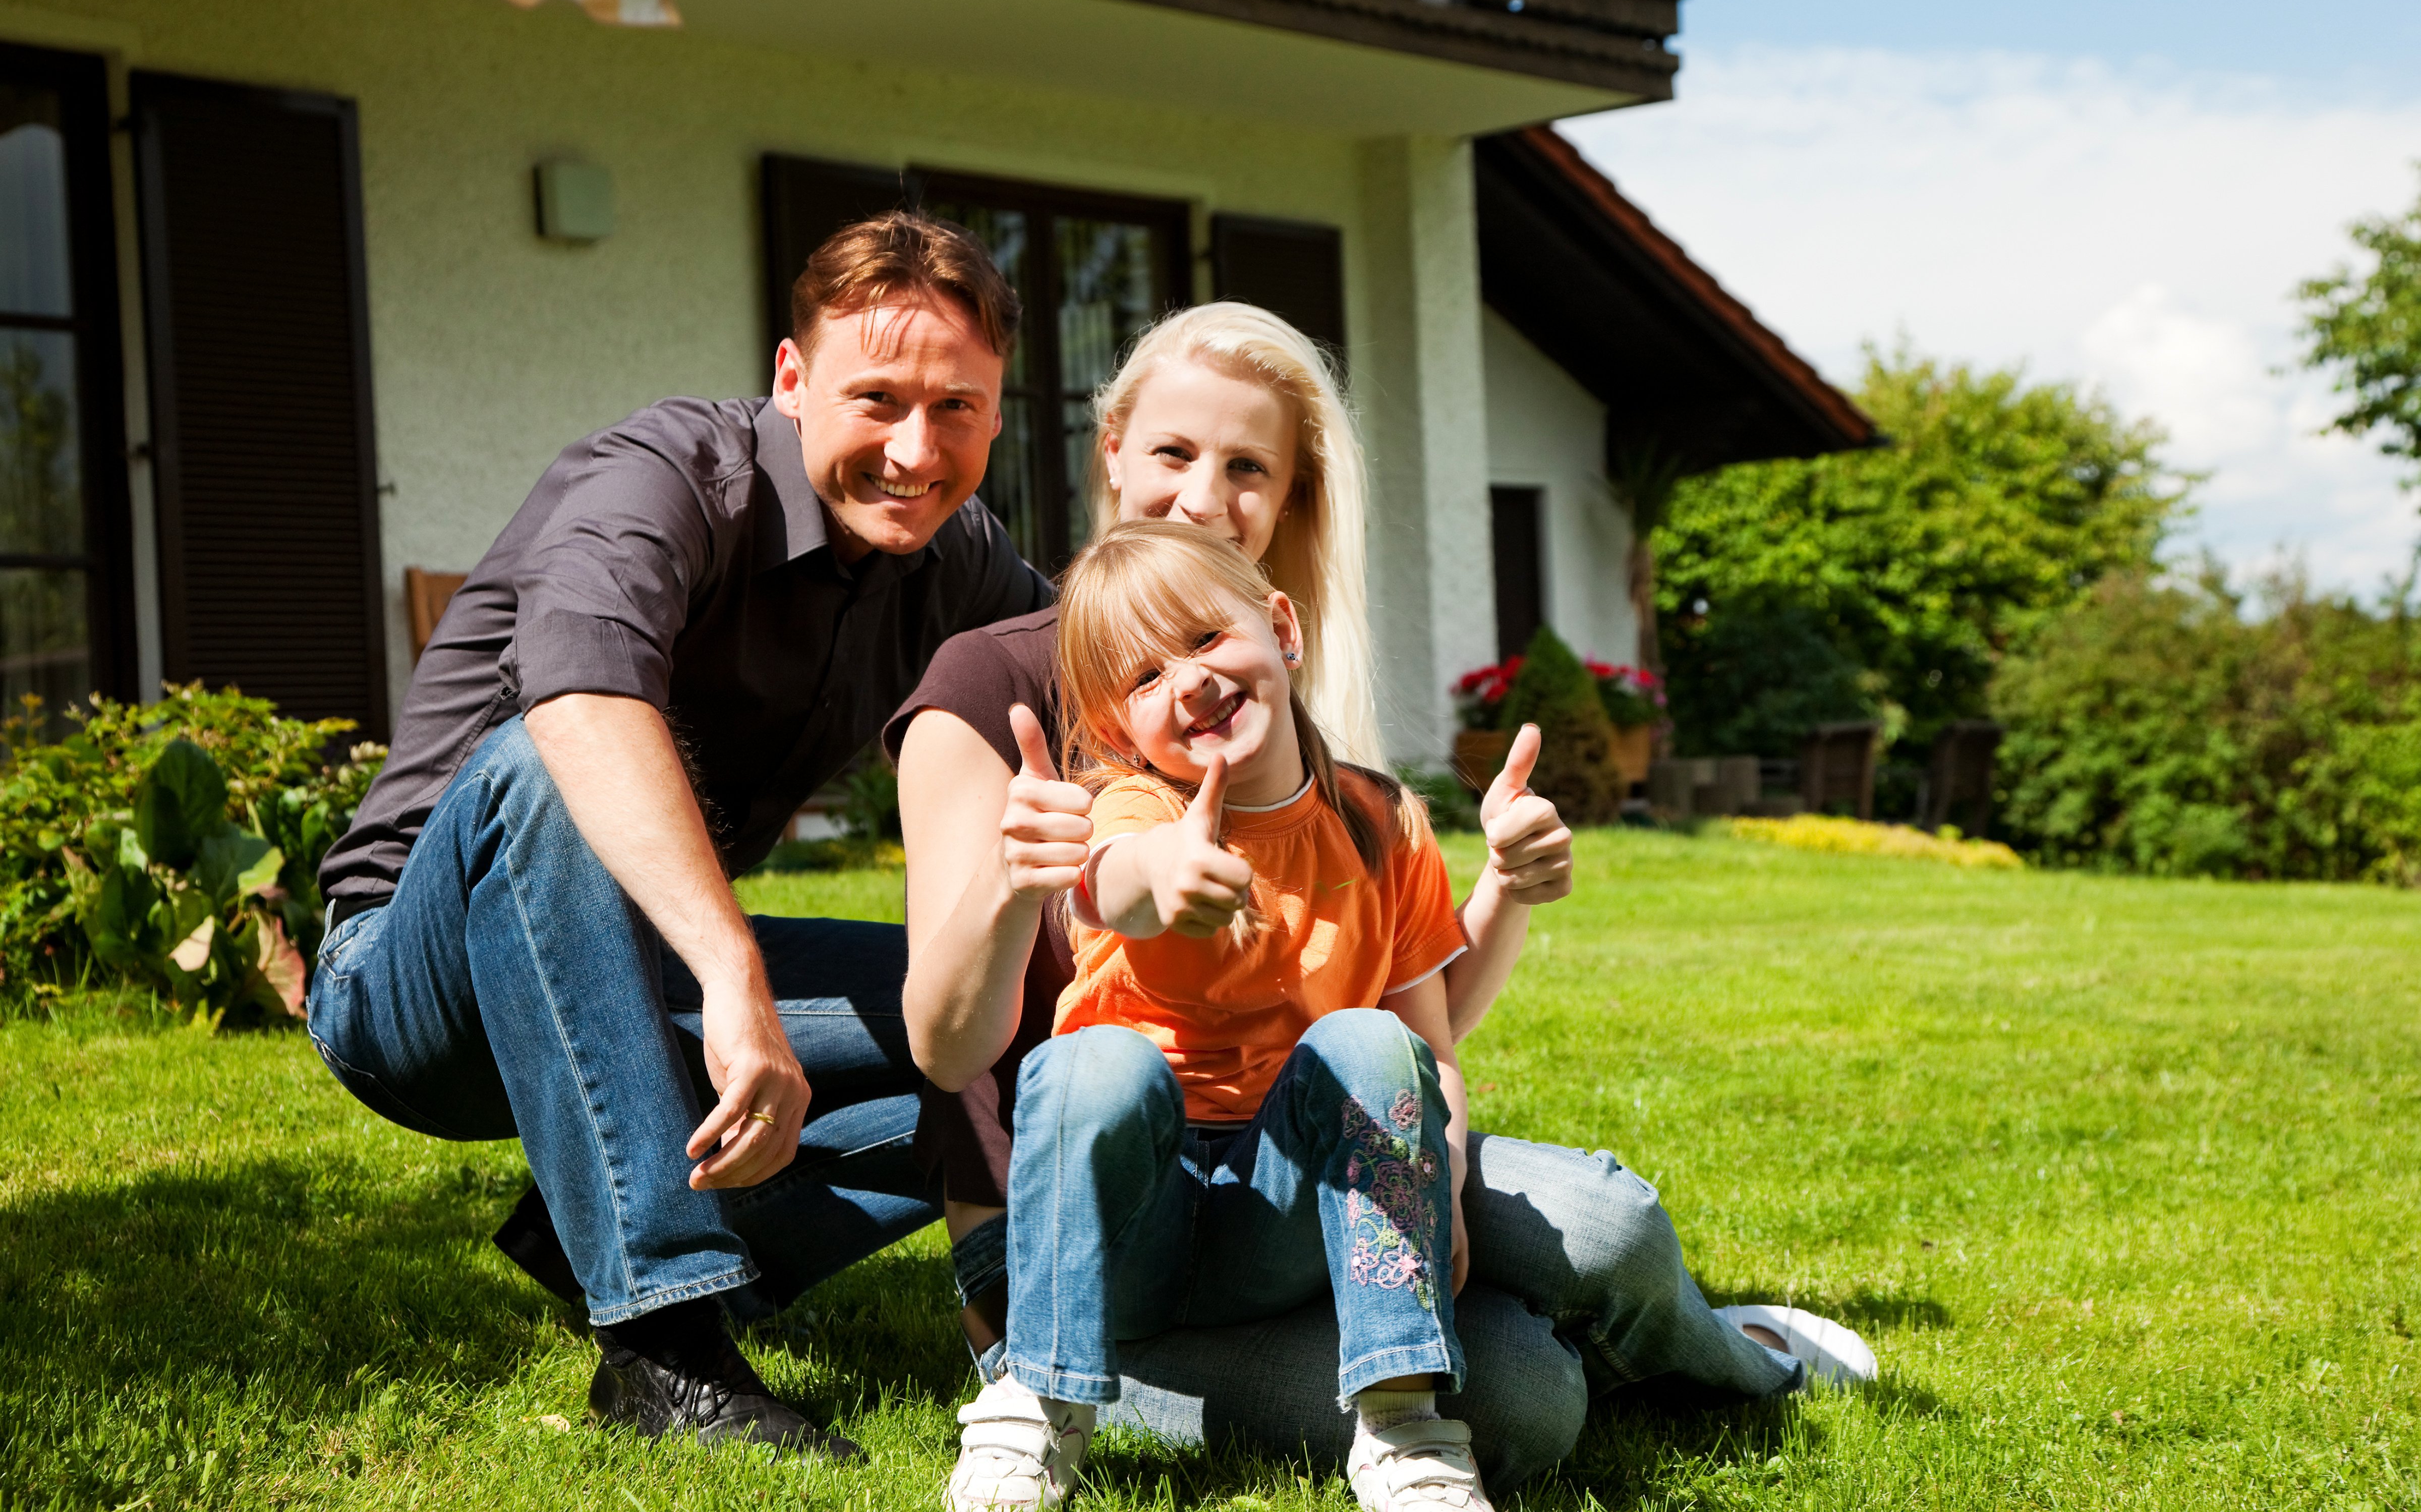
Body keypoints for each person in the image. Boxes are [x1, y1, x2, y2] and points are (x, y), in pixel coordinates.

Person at [890, 304, 1876, 1506]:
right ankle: (1056, 1387)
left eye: (1248, 466)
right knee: (1526, 1397)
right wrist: (1148, 882)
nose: (1205, 496)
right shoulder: (1066, 739)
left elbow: (1417, 1028)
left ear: (1284, 575)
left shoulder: (1343, 786)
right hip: (1087, 1225)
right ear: (1113, 453)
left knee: (1607, 1225)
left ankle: (1702, 1361)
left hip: (1283, 1178)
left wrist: (1497, 914)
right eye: (1175, 454)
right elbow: (1108, 884)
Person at [309, 212, 1053, 1456]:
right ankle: (664, 1340)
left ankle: (597, 1216)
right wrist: (734, 976)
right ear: (791, 379)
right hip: (414, 987)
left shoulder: (955, 555)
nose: (916, 450)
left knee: (1008, 1006)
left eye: (959, 409)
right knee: (539, 769)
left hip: (632, 978)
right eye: (877, 398)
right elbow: (585, 705)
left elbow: (1102, 674)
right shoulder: (660, 477)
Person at [986, 519, 1516, 1512]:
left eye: (1202, 640)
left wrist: (1441, 1184)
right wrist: (1167, 873)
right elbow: (1117, 879)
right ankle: (1039, 1404)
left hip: (1284, 1208)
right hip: (1136, 1220)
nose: (1185, 682)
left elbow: (1429, 1049)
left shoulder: (1380, 818)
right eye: (1145, 679)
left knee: (1372, 1038)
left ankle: (1403, 1425)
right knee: (1092, 1063)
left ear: (1282, 627)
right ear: (1114, 733)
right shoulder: (1131, 808)